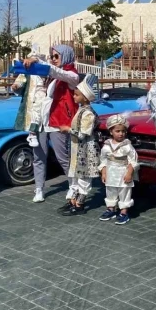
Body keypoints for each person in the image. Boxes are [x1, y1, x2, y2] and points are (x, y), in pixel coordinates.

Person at [23, 45, 80, 205]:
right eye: (52, 56)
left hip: (59, 120)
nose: (53, 59)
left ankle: (73, 185)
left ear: (66, 56)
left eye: (56, 56)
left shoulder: (71, 75)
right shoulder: (51, 76)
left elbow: (55, 71)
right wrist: (34, 59)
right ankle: (39, 188)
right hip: (42, 119)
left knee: (62, 157)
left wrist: (40, 62)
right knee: (39, 156)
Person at [61, 74, 100, 216]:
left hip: (86, 150)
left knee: (84, 177)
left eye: (77, 95)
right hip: (78, 148)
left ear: (85, 97)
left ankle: (80, 204)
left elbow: (83, 133)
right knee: (77, 176)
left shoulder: (88, 113)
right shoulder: (81, 110)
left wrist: (68, 130)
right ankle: (74, 200)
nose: (74, 96)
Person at [97, 114, 139, 225]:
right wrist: (104, 172)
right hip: (111, 172)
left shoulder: (127, 146)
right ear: (111, 132)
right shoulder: (107, 146)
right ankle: (111, 209)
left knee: (124, 191)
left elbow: (133, 161)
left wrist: (129, 173)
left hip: (123, 172)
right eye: (117, 131)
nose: (121, 134)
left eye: (123, 131)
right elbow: (103, 160)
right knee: (110, 190)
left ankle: (124, 212)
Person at [13, 50, 50, 151]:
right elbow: (20, 80)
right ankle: (32, 133)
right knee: (36, 112)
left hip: (45, 96)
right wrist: (16, 86)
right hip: (34, 96)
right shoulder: (28, 71)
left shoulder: (45, 69)